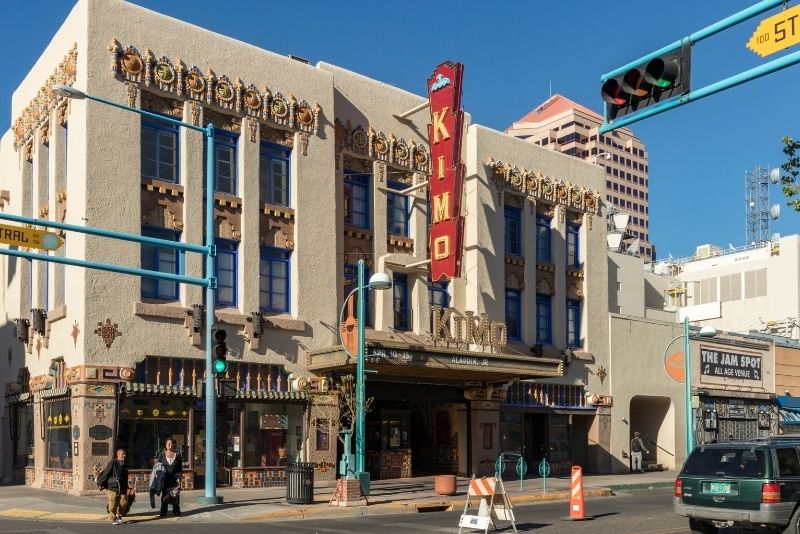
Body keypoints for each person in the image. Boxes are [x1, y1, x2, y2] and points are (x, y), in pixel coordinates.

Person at [97, 447, 129, 525]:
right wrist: (100, 482)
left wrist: (127, 486)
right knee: (113, 503)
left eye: (125, 454)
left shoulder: (125, 464)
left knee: (123, 502)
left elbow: (125, 476)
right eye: (123, 454)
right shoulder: (113, 462)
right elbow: (106, 473)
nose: (124, 455)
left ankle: (119, 515)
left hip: (122, 486)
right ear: (118, 455)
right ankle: (113, 518)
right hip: (113, 487)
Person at [158, 438, 183, 517]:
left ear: (173, 445)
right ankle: (163, 511)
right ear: (165, 445)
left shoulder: (177, 454)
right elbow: (158, 467)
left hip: (174, 478)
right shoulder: (162, 454)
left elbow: (180, 468)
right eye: (168, 443)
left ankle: (176, 510)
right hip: (164, 478)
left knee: (175, 495)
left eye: (171, 443)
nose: (169, 445)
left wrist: (179, 477)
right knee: (165, 495)